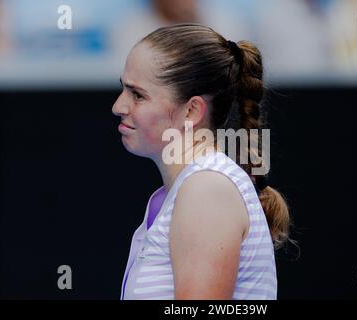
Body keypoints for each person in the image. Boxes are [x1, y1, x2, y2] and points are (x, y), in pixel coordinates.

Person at [112, 23, 293, 300]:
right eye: (123, 89)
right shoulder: (185, 192)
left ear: (192, 111)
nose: (119, 106)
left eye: (138, 95)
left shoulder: (206, 190)